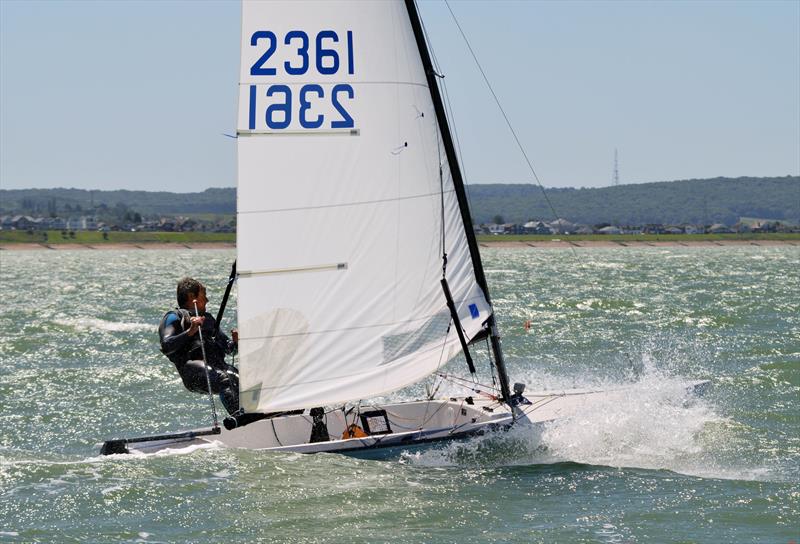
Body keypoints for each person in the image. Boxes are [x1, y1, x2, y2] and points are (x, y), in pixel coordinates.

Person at [158, 277, 240, 416]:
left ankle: (258, 412)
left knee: (243, 378)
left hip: (217, 367)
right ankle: (238, 416)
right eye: (204, 295)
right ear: (192, 297)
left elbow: (229, 349)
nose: (207, 300)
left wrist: (236, 342)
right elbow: (166, 345)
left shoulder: (208, 319)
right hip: (193, 372)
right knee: (224, 378)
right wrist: (190, 331)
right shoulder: (174, 317)